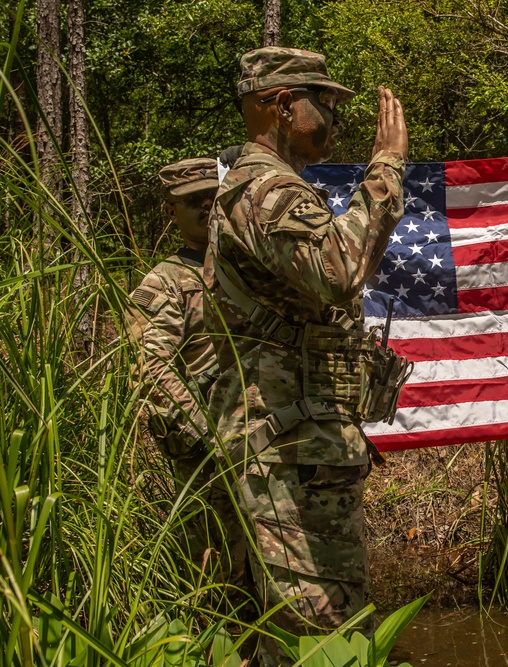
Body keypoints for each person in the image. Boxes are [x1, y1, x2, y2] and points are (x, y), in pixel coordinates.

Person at [202, 46, 407, 664]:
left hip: (288, 445)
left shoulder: (262, 185)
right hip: (290, 454)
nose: (336, 119)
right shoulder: (268, 190)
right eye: (326, 103)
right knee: (328, 640)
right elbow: (339, 267)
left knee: (285, 636)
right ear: (283, 105)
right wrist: (388, 167)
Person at [129, 158, 229, 571]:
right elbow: (148, 367)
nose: (207, 208)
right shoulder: (165, 281)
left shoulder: (247, 270)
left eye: (213, 198)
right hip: (210, 454)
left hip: (266, 440)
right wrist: (209, 439)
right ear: (172, 212)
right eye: (194, 202)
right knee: (220, 571)